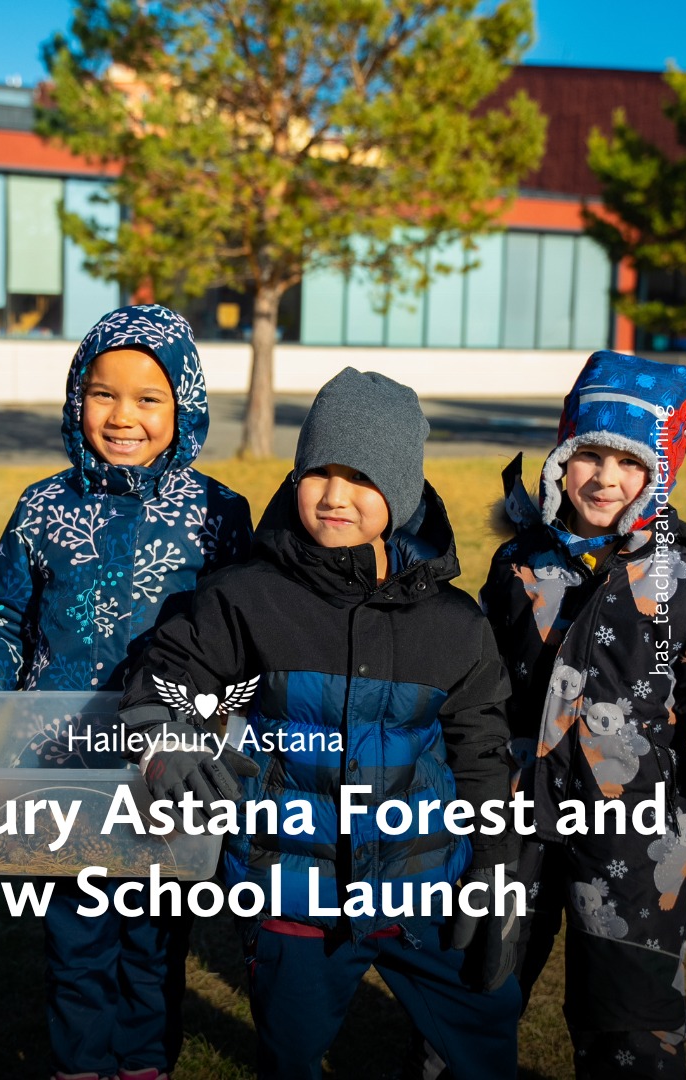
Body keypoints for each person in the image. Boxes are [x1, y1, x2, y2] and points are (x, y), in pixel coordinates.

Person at [119, 367, 523, 1080]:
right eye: (319, 473)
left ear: (400, 492)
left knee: (485, 1037)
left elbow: (482, 753)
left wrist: (494, 868)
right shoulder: (245, 597)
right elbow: (161, 677)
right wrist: (167, 747)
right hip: (291, 893)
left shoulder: (455, 625)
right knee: (291, 1050)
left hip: (425, 883)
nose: (335, 496)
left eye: (361, 478)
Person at [0, 304, 253, 1080]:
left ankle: (144, 1061)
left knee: (152, 937)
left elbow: (240, 631)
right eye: (103, 393)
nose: (122, 417)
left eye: (148, 399)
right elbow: (5, 615)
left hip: (165, 766)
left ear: (183, 406)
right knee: (77, 934)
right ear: (76, 395)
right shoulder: (43, 507)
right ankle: (81, 1063)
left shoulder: (218, 514)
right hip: (61, 760)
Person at [480, 350, 686, 1078]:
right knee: (474, 990)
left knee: (631, 1022)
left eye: (629, 464)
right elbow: (479, 680)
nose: (605, 479)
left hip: (636, 840)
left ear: (662, 469)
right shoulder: (522, 563)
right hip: (514, 822)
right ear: (561, 457)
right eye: (587, 456)